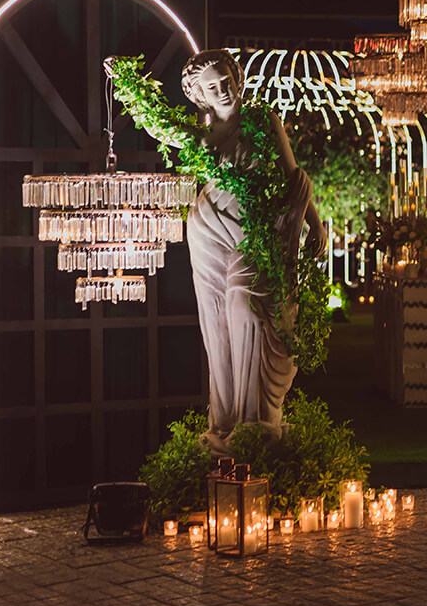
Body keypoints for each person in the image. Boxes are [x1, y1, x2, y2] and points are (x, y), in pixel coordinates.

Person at [107, 50, 325, 453]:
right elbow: (158, 122)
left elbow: (292, 172)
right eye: (211, 87)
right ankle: (226, 421)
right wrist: (126, 82)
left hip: (255, 231)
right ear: (200, 95)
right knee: (217, 323)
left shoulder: (262, 121)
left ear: (236, 80)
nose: (222, 90)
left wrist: (314, 220)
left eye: (226, 80)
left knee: (247, 308)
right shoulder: (201, 137)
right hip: (208, 231)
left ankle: (256, 419)